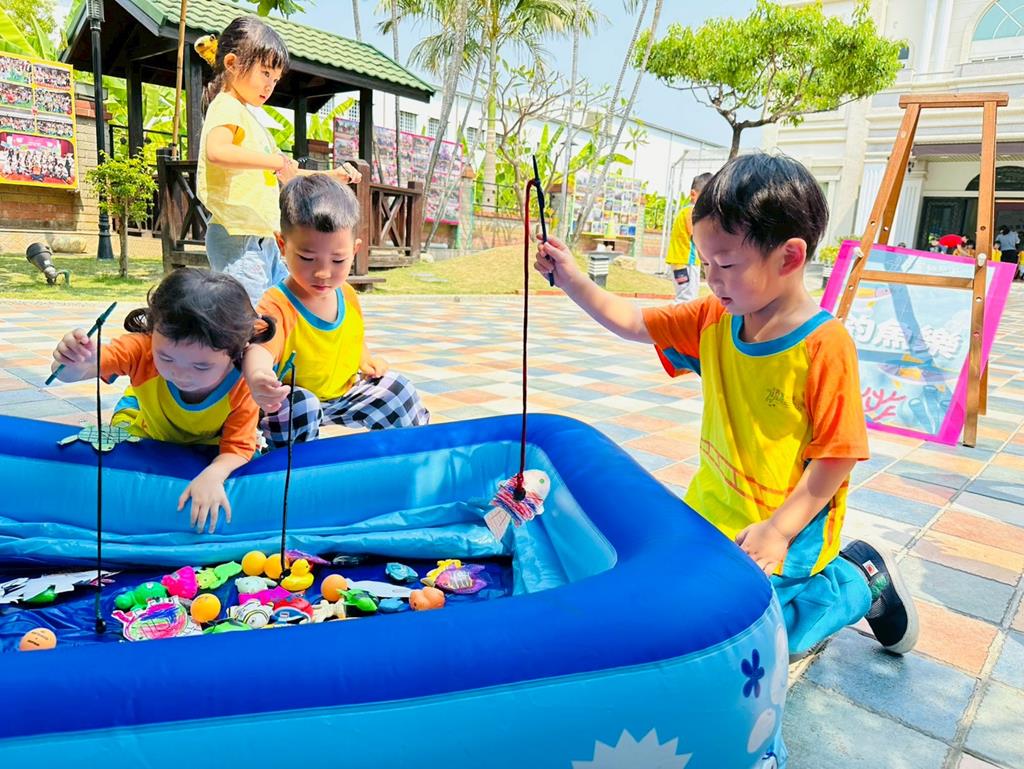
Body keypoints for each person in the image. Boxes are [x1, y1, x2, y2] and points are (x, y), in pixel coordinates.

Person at [536, 153, 918, 668]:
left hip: (789, 530)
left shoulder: (824, 347)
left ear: (789, 257)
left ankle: (860, 579)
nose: (712, 279)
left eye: (727, 265)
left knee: (764, 641)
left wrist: (778, 531)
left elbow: (837, 456)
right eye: (705, 264)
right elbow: (633, 322)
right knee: (688, 618)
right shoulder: (714, 318)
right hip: (711, 511)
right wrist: (571, 278)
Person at [50, 269, 274, 533]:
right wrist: (73, 361)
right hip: (148, 430)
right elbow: (72, 373)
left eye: (201, 366)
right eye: (166, 358)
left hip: (210, 444)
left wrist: (214, 475)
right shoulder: (141, 350)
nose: (180, 373)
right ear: (152, 331)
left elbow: (237, 448)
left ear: (236, 351)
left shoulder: (240, 383)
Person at [243, 175, 430, 447]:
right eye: (307, 258)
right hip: (294, 404)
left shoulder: (347, 294)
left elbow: (351, 337)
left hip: (344, 395)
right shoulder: (277, 304)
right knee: (298, 407)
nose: (323, 272)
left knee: (396, 389)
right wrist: (258, 376)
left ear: (354, 250)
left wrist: (366, 360)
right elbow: (258, 350)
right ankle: (293, 468)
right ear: (282, 245)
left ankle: (410, 456)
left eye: (338, 260)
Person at [197, 16, 361, 305]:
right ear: (232, 63)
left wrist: (331, 177)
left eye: (275, 79)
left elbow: (286, 171)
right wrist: (272, 161)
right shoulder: (225, 106)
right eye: (264, 73)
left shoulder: (249, 117)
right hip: (238, 236)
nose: (269, 85)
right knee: (251, 316)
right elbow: (217, 151)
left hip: (263, 237)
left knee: (280, 308)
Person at [664, 172, 712, 303]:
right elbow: (695, 235)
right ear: (693, 194)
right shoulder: (691, 211)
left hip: (681, 263)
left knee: (685, 296)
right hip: (686, 263)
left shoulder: (685, 211)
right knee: (686, 298)